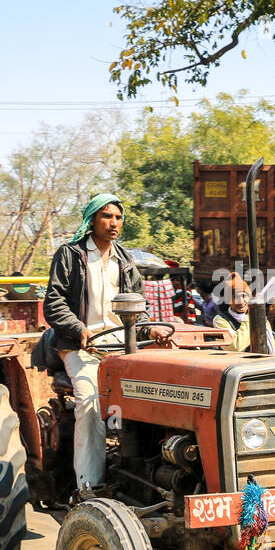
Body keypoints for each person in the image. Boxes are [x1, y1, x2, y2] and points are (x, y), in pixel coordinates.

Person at [43, 194, 170, 497]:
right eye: (106, 216)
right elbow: (54, 302)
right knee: (89, 405)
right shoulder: (70, 254)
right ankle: (89, 489)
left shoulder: (125, 260)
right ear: (92, 220)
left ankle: (144, 479)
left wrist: (150, 328)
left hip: (122, 345)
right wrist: (78, 328)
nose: (114, 223)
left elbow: (140, 307)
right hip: (81, 346)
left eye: (118, 217)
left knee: (152, 397)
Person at [211, 277, 275, 353]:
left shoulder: (260, 317)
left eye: (244, 296)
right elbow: (235, 346)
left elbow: (272, 346)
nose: (241, 301)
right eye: (235, 297)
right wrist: (250, 318)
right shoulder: (220, 320)